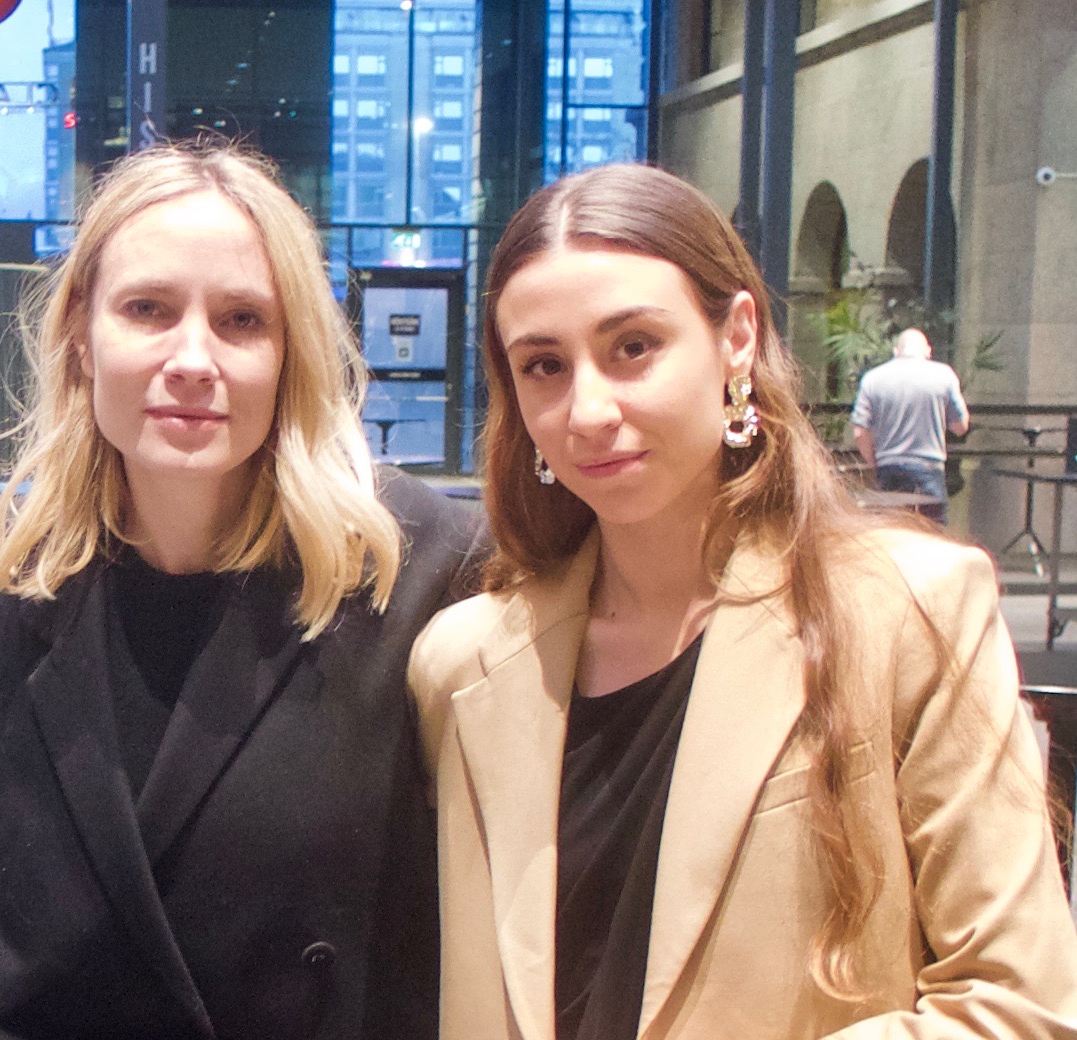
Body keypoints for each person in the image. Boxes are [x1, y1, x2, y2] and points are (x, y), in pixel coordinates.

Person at [409, 163, 1077, 1040]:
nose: (590, 409)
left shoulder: (906, 610)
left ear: (737, 339)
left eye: (633, 347)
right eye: (544, 365)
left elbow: (1017, 1002)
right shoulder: (462, 663)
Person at [0, 142, 487, 1040]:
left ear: (292, 351)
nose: (192, 358)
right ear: (79, 337)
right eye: (147, 309)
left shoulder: (420, 576)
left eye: (242, 320)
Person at [850, 327, 970, 523]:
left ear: (896, 351)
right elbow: (960, 426)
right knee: (932, 532)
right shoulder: (944, 375)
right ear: (928, 351)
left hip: (888, 468)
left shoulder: (873, 378)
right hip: (928, 467)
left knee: (891, 530)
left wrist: (873, 462)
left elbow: (859, 432)